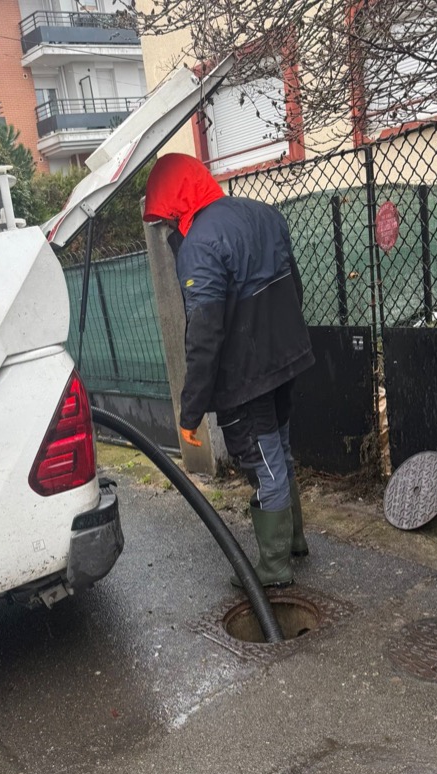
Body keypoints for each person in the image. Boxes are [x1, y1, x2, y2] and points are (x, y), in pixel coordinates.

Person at [143, 153, 314, 588]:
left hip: (247, 375)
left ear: (176, 204)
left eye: (165, 219)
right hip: (286, 359)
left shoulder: (200, 244)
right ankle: (293, 542)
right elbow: (294, 285)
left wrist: (190, 411)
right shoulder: (263, 214)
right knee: (282, 451)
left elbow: (204, 335)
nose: (167, 229)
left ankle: (274, 570)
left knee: (265, 465)